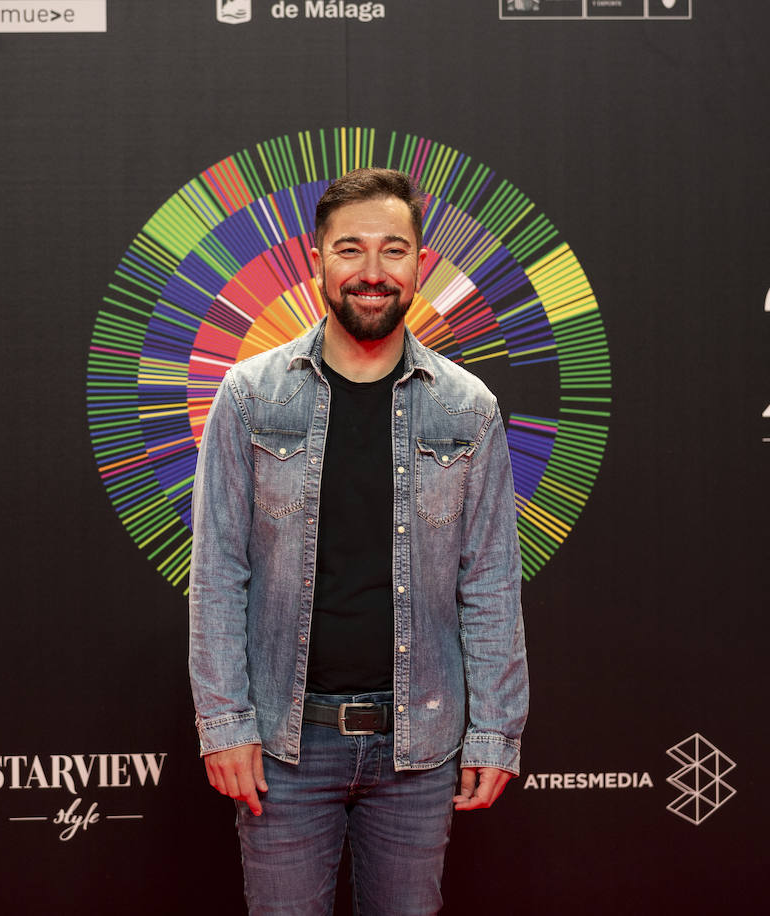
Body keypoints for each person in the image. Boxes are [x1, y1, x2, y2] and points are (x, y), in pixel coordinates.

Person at [189, 167, 529, 915]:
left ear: (419, 265)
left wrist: (497, 730)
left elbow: (491, 583)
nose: (372, 273)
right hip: (284, 748)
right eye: (350, 250)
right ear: (317, 261)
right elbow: (218, 571)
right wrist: (225, 724)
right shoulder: (249, 398)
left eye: (393, 250)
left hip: (421, 749)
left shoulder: (469, 410)